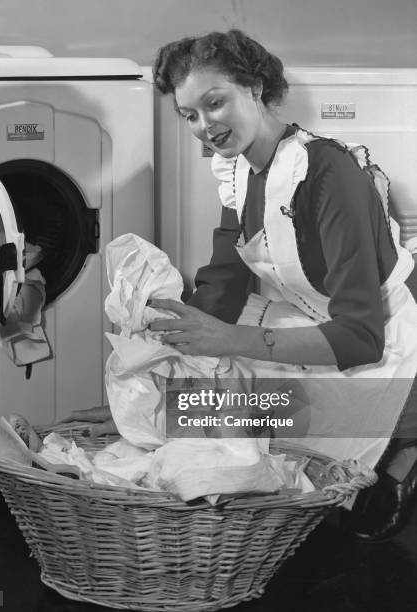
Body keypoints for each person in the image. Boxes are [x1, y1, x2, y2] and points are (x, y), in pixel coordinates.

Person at [148, 29, 417, 540]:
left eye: (215, 103)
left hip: (392, 336)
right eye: (189, 115)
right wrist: (172, 348)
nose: (205, 126)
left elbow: (362, 336)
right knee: (184, 406)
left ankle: (404, 455)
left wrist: (227, 341)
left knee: (276, 421)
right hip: (317, 322)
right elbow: (224, 282)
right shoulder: (236, 169)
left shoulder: (327, 173)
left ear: (255, 89)